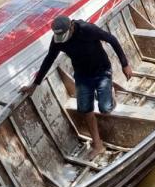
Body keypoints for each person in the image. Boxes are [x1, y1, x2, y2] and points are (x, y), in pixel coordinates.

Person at [21, 16, 133, 158]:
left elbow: (112, 39)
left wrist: (125, 64)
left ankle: (109, 94)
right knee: (86, 109)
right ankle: (98, 145)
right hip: (82, 75)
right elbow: (49, 59)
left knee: (105, 108)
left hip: (102, 70)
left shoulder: (87, 29)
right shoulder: (57, 40)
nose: (63, 39)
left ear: (72, 26)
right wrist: (35, 84)